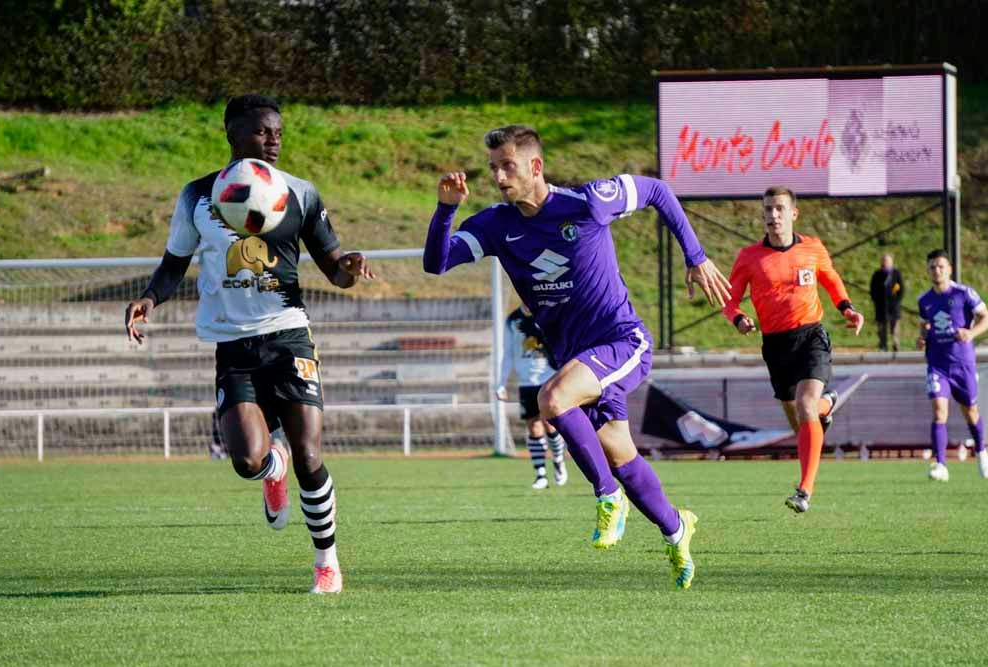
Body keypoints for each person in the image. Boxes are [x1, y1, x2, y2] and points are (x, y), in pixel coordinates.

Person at [423, 124, 731, 590]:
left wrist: (696, 256)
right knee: (622, 457)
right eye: (492, 168)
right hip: (576, 358)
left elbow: (657, 191)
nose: (499, 176)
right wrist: (446, 210)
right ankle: (675, 527)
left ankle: (607, 497)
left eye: (508, 165)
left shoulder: (589, 202)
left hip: (622, 341)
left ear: (535, 166)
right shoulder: (495, 225)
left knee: (553, 399)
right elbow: (437, 261)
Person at [124, 94, 373, 594]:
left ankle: (327, 562)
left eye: (278, 131)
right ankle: (270, 468)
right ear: (233, 135)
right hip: (232, 346)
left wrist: (346, 268)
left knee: (308, 451)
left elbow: (334, 267)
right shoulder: (197, 195)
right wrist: (150, 298)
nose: (273, 139)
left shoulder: (300, 193)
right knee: (246, 461)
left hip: (288, 335)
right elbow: (175, 264)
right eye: (262, 131)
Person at [722, 186, 864, 514]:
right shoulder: (749, 257)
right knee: (800, 419)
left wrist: (848, 309)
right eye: (768, 209)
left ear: (793, 213)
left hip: (811, 336)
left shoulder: (812, 248)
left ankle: (804, 491)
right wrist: (739, 318)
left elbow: (831, 280)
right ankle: (827, 405)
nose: (773, 215)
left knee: (805, 405)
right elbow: (730, 299)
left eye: (779, 209)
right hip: (775, 345)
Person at [916, 249, 988, 481]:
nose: (936, 270)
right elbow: (924, 325)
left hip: (962, 363)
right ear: (928, 270)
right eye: (932, 267)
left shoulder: (964, 293)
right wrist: (922, 337)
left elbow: (985, 316)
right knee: (939, 410)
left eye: (940, 266)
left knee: (971, 412)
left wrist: (972, 332)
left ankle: (981, 452)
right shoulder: (924, 300)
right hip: (937, 364)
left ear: (949, 269)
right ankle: (940, 464)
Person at [496, 303, 568, 489]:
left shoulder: (548, 313)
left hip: (549, 378)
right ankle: (541, 474)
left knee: (550, 425)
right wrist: (501, 383)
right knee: (533, 426)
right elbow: (508, 353)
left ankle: (558, 460)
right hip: (526, 381)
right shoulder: (513, 320)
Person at [869, 253, 905, 352]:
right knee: (881, 328)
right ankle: (882, 345)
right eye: (884, 261)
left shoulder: (896, 273)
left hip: (894, 306)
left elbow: (901, 289)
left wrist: (896, 301)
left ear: (892, 262)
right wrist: (876, 300)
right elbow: (872, 289)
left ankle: (896, 345)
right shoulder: (877, 274)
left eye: (887, 261)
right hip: (881, 306)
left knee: (895, 328)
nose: (885, 263)